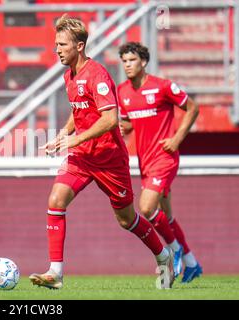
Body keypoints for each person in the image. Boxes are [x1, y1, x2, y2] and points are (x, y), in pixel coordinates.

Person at [28, 15, 174, 290]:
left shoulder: (97, 74)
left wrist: (75, 139)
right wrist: (63, 134)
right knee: (56, 199)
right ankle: (55, 273)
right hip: (83, 156)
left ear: (79, 46)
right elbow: (79, 109)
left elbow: (109, 119)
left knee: (126, 219)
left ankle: (164, 256)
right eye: (56, 44)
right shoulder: (68, 75)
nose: (57, 49)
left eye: (62, 44)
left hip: (109, 159)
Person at [117, 42, 202, 283]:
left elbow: (193, 107)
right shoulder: (123, 91)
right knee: (167, 215)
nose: (127, 65)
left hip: (164, 157)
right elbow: (131, 122)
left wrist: (177, 138)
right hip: (145, 161)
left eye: (132, 60)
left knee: (145, 207)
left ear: (143, 62)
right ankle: (192, 264)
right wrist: (122, 128)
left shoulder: (162, 86)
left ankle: (174, 251)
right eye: (124, 61)